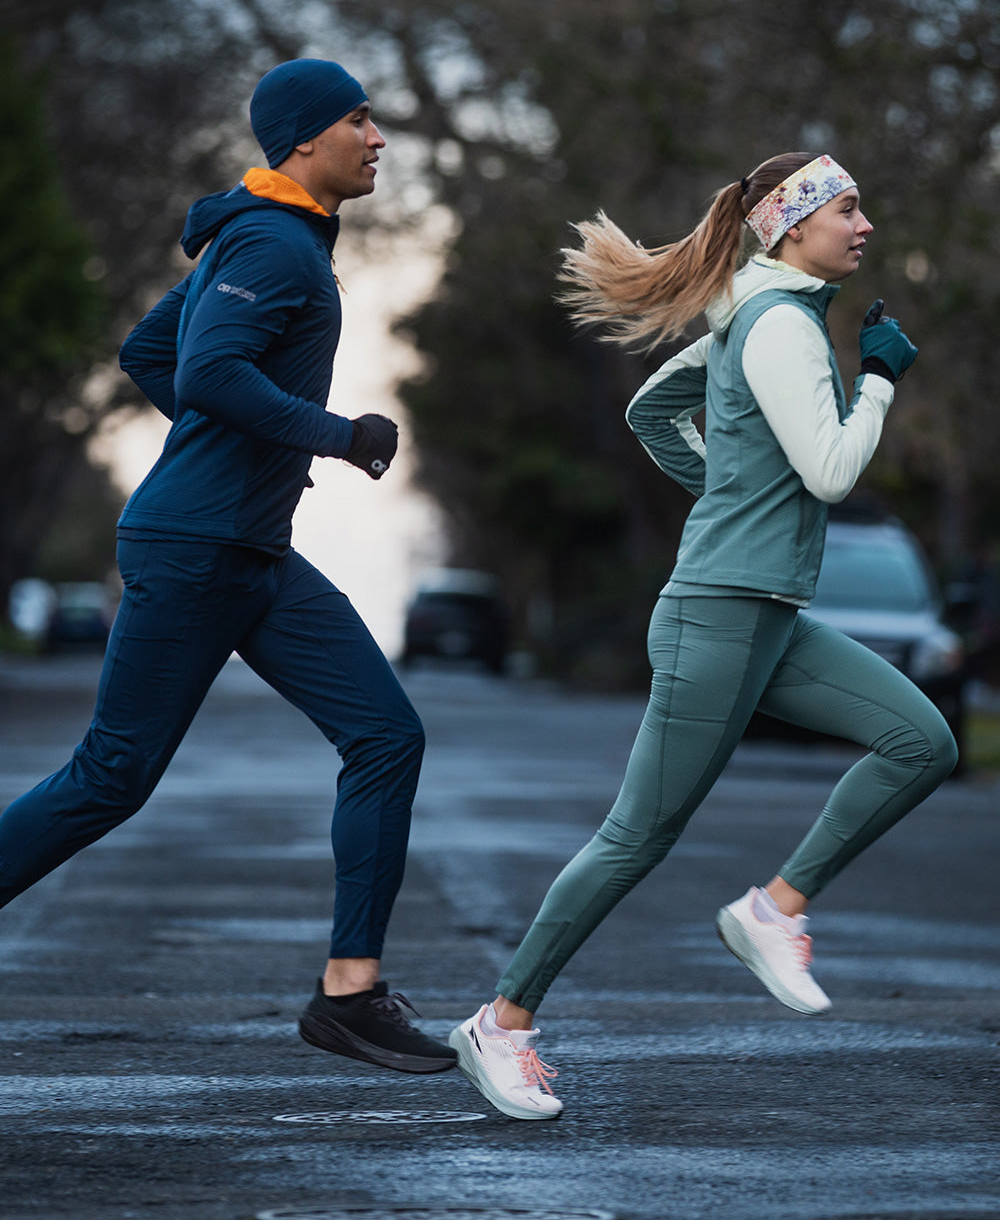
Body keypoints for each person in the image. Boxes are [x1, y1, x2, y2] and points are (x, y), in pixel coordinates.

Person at [449, 152, 958, 1119]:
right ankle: (500, 1024)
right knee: (636, 837)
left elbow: (654, 411)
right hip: (720, 613)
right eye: (849, 208)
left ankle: (776, 907)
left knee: (922, 742)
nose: (865, 226)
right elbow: (833, 473)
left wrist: (729, 492)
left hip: (765, 616)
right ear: (791, 223)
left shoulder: (757, 314)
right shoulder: (779, 328)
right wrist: (880, 383)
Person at [0, 58, 457, 1075]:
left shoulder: (268, 236)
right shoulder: (269, 241)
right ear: (304, 138)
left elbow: (148, 351)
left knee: (385, 734)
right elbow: (203, 371)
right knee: (110, 777)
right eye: (358, 120)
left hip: (250, 548)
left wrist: (242, 454)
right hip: (195, 548)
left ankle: (350, 994)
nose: (378, 137)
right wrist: (334, 435)